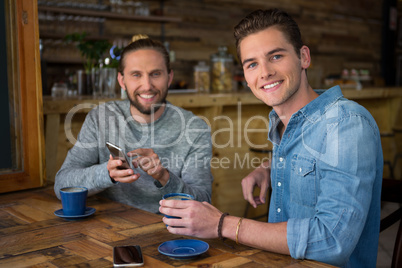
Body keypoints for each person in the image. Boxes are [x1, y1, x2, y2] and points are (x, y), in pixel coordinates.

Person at [159, 9, 383, 268]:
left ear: (304, 57)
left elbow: (331, 242)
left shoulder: (346, 123)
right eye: (252, 64)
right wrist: (273, 167)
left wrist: (223, 224)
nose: (264, 72)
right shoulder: (282, 120)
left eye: (275, 56)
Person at [54, 35, 213, 214]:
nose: (147, 85)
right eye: (136, 75)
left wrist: (164, 177)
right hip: (106, 231)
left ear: (169, 78)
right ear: (122, 81)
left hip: (169, 233)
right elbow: (62, 185)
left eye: (156, 74)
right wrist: (107, 174)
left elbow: (203, 201)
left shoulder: (195, 128)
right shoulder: (101, 118)